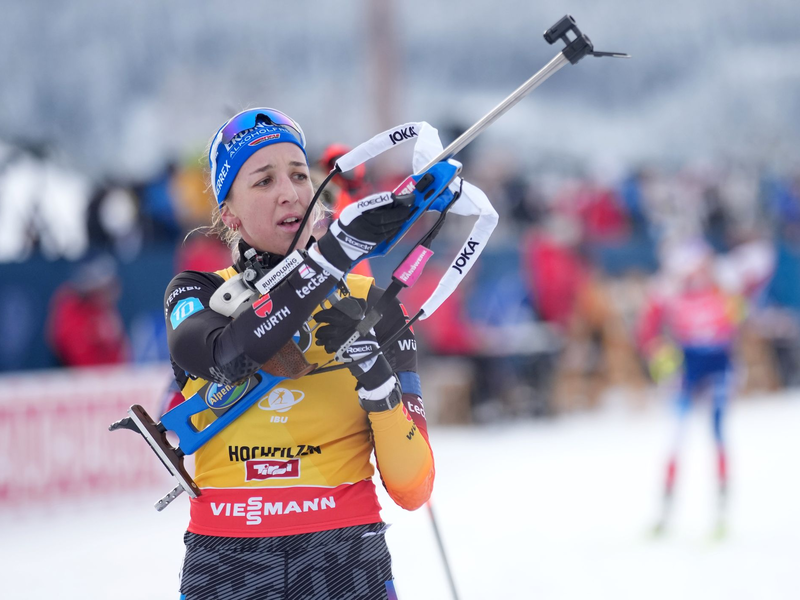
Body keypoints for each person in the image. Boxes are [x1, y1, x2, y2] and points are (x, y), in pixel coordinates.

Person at [164, 108, 434, 599]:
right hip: (227, 559)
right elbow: (228, 356)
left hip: (345, 555)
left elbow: (412, 488)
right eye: (264, 180)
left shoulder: (370, 302)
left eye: (298, 175)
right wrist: (330, 259)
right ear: (230, 214)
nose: (289, 192)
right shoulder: (196, 292)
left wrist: (377, 381)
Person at [637, 240, 741, 535]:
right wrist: (661, 356)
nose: (697, 273)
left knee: (718, 436)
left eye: (702, 266)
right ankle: (664, 514)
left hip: (718, 370)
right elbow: (647, 333)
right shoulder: (670, 294)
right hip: (687, 372)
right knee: (676, 439)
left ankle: (722, 514)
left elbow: (738, 322)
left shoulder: (721, 291)